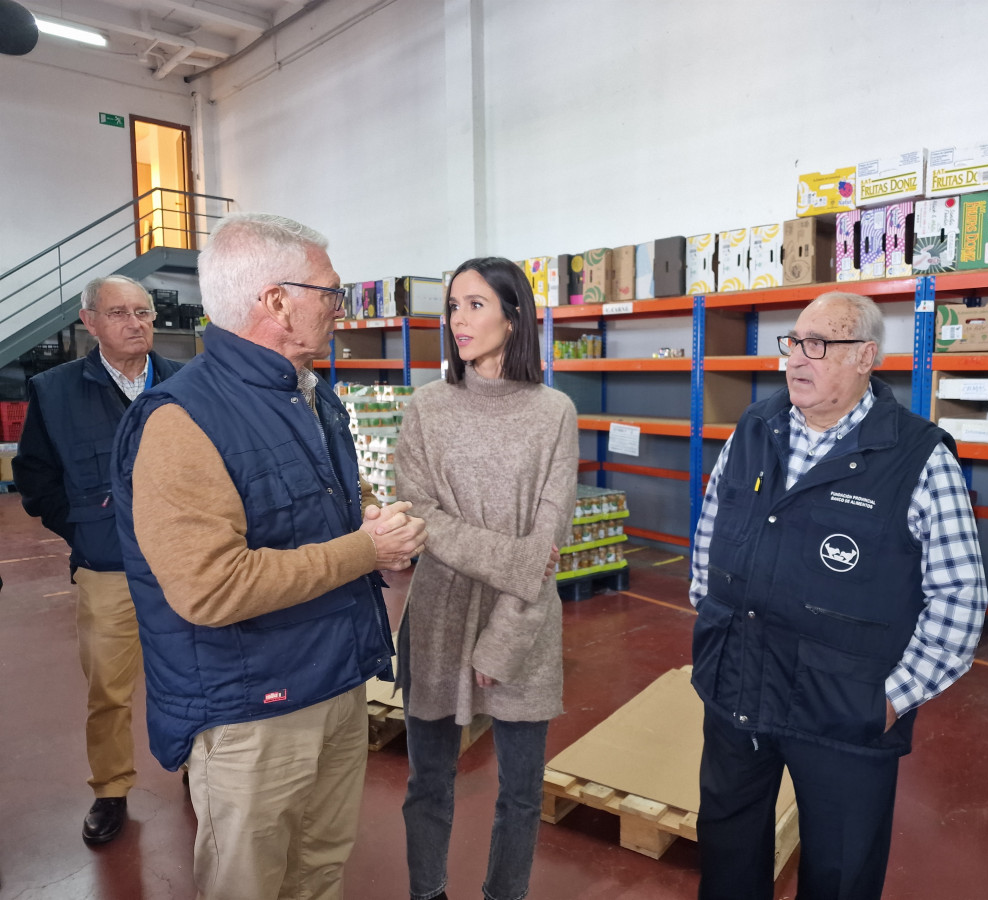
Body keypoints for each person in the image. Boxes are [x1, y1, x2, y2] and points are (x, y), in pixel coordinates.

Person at [108, 212, 428, 900]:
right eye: (330, 291)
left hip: (336, 679)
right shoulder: (180, 421)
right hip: (253, 710)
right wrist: (363, 549)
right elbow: (210, 586)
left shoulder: (312, 395)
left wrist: (373, 533)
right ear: (276, 301)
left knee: (319, 870)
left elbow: (325, 512)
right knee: (249, 885)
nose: (340, 306)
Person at [689, 291, 988, 900]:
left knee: (841, 871)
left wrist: (890, 700)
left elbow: (961, 596)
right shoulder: (754, 428)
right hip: (737, 688)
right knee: (726, 850)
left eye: (820, 344)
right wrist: (713, 617)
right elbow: (711, 529)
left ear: (866, 358)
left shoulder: (918, 458)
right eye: (795, 341)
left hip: (843, 713)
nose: (798, 358)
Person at [394, 257, 578, 900]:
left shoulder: (554, 412)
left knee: (522, 791)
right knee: (427, 784)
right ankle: (427, 892)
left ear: (514, 316)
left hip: (523, 621)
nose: (459, 320)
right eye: (453, 306)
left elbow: (548, 540)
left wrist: (502, 641)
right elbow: (421, 516)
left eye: (475, 304)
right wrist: (516, 558)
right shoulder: (426, 407)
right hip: (437, 615)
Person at [13, 274, 185, 845]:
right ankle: (110, 789)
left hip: (188, 565)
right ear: (89, 322)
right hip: (107, 569)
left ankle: (197, 764)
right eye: (119, 313)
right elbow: (35, 477)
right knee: (109, 688)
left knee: (195, 671)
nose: (136, 323)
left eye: (143, 312)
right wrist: (84, 530)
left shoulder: (189, 382)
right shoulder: (55, 391)